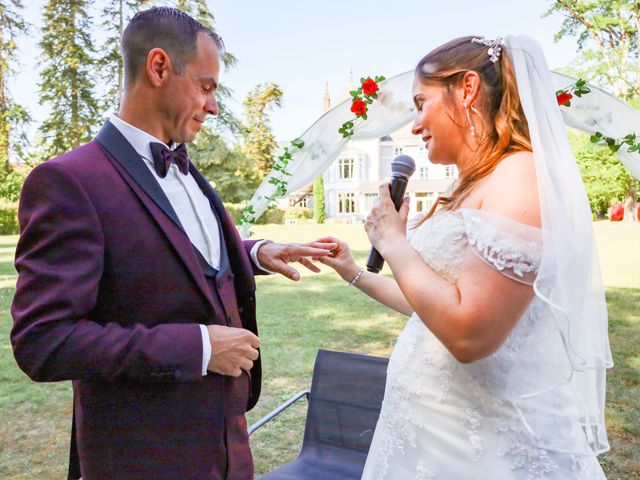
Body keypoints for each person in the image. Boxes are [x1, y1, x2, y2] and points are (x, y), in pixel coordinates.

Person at [10, 7, 334, 480]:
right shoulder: (69, 182)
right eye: (206, 87)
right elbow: (43, 341)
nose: (215, 106)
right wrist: (198, 347)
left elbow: (171, 254)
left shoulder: (190, 172)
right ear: (159, 67)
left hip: (228, 450)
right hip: (143, 458)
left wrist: (254, 252)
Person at [317, 35, 612, 479]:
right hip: (428, 432)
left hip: (484, 447)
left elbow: (470, 335)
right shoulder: (467, 184)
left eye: (422, 103)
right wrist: (354, 272)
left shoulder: (519, 177)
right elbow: (433, 304)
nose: (415, 124)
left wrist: (394, 241)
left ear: (468, 88)